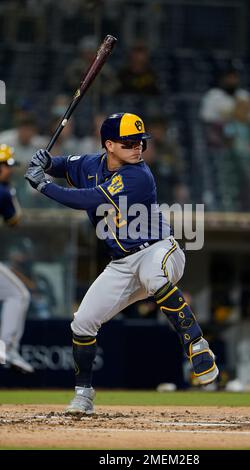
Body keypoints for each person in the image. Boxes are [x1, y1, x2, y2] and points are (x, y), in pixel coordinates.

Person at [25, 113, 218, 414]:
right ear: (109, 145)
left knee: (155, 278)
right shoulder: (91, 164)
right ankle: (83, 394)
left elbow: (88, 199)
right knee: (83, 321)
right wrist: (47, 163)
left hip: (159, 250)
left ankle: (195, 344)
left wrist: (43, 186)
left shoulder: (139, 176)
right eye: (128, 143)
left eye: (140, 142)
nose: (137, 147)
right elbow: (65, 165)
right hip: (122, 264)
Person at [0, 144, 34, 373]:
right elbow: (14, 221)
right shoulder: (3, 191)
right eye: (5, 166)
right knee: (19, 295)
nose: (8, 170)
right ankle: (6, 348)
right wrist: (12, 192)